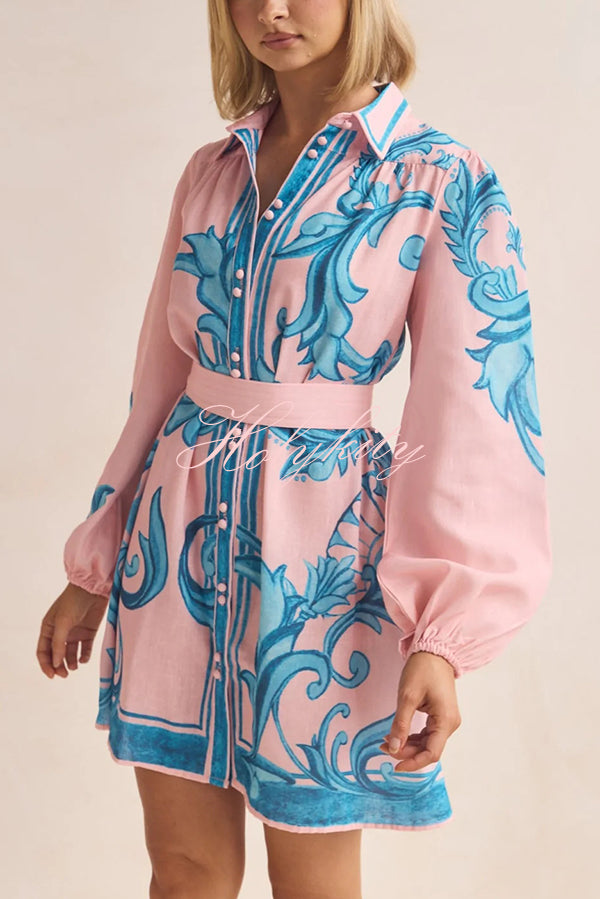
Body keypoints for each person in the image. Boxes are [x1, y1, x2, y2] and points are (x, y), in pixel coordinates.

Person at [36, 1, 553, 897]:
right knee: (183, 870)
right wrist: (98, 561)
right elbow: (158, 383)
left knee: (312, 879)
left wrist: (442, 636)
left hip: (321, 568)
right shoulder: (211, 172)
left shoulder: (440, 178)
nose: (271, 9)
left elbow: (474, 416)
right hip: (173, 550)